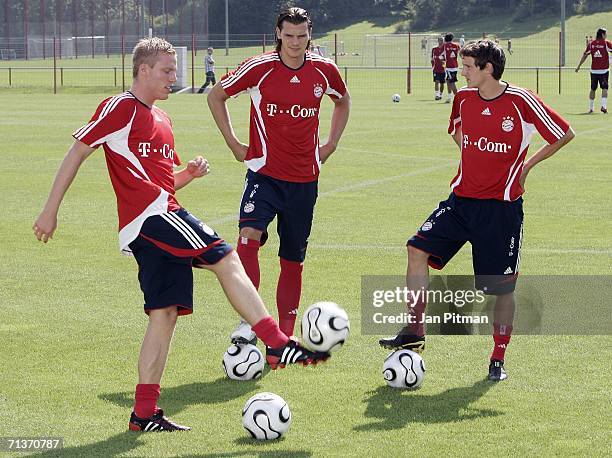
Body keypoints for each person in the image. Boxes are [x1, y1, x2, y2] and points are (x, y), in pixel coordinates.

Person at [33, 37, 329, 433]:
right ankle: (275, 343)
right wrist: (50, 210)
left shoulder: (164, 121)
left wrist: (187, 174)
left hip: (157, 216)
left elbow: (162, 182)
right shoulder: (121, 107)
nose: (175, 78)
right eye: (167, 71)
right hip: (152, 217)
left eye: (175, 70)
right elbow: (79, 150)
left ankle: (144, 414)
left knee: (164, 315)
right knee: (226, 256)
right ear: (143, 71)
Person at [379, 40, 574, 382]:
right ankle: (415, 330)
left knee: (500, 289)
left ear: (487, 69)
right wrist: (472, 158)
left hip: (501, 211)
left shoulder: (521, 101)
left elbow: (563, 133)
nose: (461, 71)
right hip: (460, 202)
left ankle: (498, 358)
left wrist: (526, 166)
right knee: (416, 248)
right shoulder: (464, 98)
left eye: (468, 66)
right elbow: (457, 130)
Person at [207, 7, 350, 345]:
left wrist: (330, 145)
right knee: (248, 237)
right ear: (278, 33)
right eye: (289, 35)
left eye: (302, 36)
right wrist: (233, 142)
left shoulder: (325, 71)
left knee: (292, 259)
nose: (295, 42)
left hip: (304, 179)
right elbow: (217, 96)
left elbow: (342, 101)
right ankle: (249, 322)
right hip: (264, 174)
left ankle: (284, 334)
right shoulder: (260, 68)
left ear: (310, 35)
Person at [575, 27, 612, 114]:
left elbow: (584, 56)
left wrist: (579, 66)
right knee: (605, 88)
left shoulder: (591, 44)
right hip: (604, 71)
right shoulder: (606, 43)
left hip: (594, 71)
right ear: (603, 35)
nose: (606, 35)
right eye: (605, 34)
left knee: (593, 89)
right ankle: (604, 107)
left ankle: (591, 108)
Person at [443, 32, 461, 103]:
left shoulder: (444, 46)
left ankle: (457, 99)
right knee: (448, 81)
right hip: (455, 66)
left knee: (452, 82)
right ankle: (449, 97)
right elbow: (460, 54)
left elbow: (442, 56)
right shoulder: (456, 45)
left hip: (449, 67)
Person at [431, 36, 446, 101]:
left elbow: (447, 59)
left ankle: (440, 94)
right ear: (438, 41)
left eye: (442, 40)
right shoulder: (434, 49)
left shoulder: (445, 50)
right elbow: (432, 59)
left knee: (442, 83)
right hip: (436, 69)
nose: (441, 42)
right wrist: (432, 66)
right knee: (436, 81)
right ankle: (437, 95)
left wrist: (444, 63)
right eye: (440, 40)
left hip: (443, 69)